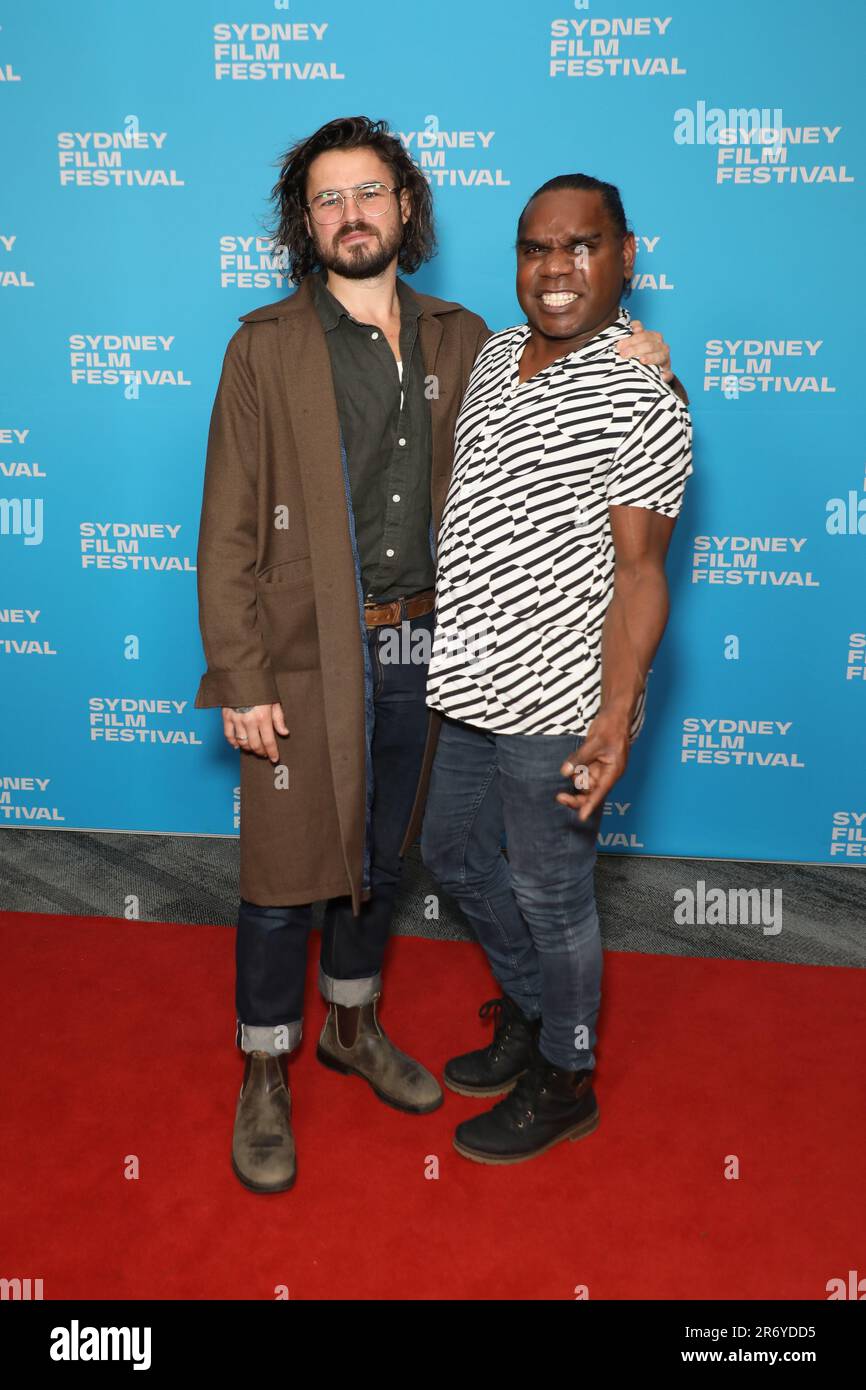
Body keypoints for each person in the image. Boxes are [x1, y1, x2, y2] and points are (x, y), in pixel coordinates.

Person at [194, 117, 682, 1193]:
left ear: (405, 206)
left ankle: (352, 1030)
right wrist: (238, 673)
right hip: (301, 652)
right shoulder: (264, 346)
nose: (351, 213)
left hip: (432, 651)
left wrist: (651, 360)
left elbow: (603, 400)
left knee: (380, 861)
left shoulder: (468, 337)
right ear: (303, 221)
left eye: (369, 192)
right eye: (328, 199)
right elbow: (226, 523)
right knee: (282, 875)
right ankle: (264, 1071)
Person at [420, 173, 694, 1165]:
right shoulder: (495, 355)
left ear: (624, 257)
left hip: (557, 704)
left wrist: (616, 714)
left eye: (580, 246)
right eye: (536, 248)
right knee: (450, 854)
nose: (555, 268)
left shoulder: (642, 395)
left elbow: (640, 572)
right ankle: (538, 1020)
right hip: (463, 679)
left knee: (551, 894)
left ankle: (567, 1073)